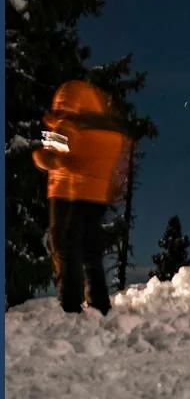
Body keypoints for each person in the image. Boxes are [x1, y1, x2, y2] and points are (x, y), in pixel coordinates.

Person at [33, 80, 131, 315]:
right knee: (89, 249)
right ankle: (99, 303)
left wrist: (39, 154)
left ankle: (70, 304)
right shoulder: (108, 131)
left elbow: (52, 158)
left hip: (67, 193)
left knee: (64, 246)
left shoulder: (68, 126)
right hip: (96, 196)